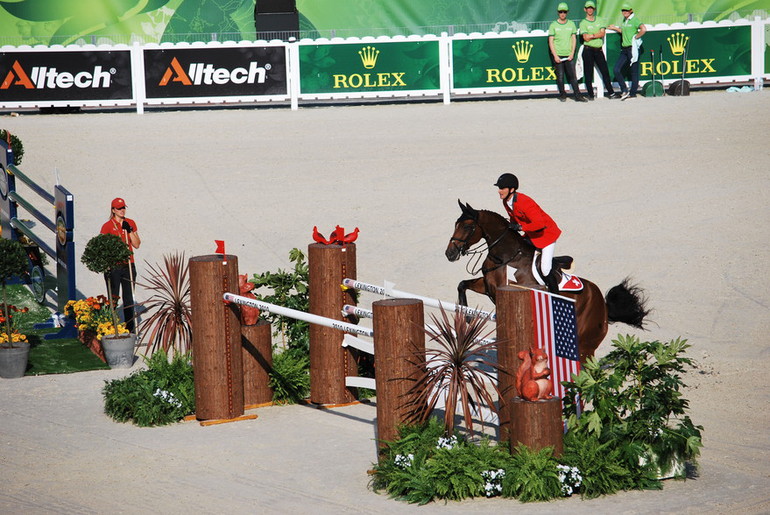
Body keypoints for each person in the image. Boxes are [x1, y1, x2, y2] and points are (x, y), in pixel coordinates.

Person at [494, 173, 562, 293]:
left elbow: (539, 224)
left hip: (546, 235)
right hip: (531, 235)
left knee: (545, 269)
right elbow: (514, 219)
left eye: (502, 188)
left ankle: (556, 296)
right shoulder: (506, 202)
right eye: (499, 188)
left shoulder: (524, 201)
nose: (499, 191)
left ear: (512, 189)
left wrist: (520, 227)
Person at [99, 197, 141, 333]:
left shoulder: (130, 223)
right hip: (114, 266)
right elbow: (102, 247)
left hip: (129, 265)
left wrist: (129, 231)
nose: (122, 210)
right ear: (113, 210)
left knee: (129, 298)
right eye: (119, 208)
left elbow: (137, 244)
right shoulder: (107, 226)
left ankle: (130, 329)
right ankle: (112, 327)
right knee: (113, 298)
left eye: (123, 208)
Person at [548, 2, 588, 102]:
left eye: (564, 12)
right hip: (558, 55)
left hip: (569, 55)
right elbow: (551, 41)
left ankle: (578, 95)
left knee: (573, 77)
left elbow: (574, 39)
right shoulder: (553, 25)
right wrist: (555, 55)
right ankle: (562, 95)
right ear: (558, 13)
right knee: (560, 77)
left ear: (567, 12)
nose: (562, 14)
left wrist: (572, 53)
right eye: (561, 12)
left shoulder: (571, 24)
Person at [608, 2, 646, 100]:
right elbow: (623, 31)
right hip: (624, 49)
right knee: (616, 69)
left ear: (631, 11)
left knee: (634, 72)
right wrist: (614, 28)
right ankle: (624, 90)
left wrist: (636, 37)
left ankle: (632, 93)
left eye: (626, 10)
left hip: (632, 49)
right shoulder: (625, 20)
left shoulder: (634, 20)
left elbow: (643, 29)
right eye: (623, 10)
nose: (624, 12)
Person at [579, 0, 616, 100]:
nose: (590, 10)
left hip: (598, 49)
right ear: (585, 9)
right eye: (588, 8)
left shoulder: (600, 20)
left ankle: (611, 93)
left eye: (591, 8)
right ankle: (590, 95)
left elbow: (602, 33)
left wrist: (592, 35)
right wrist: (596, 34)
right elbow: (585, 38)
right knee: (588, 73)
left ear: (594, 9)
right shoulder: (583, 23)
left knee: (605, 71)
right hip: (588, 50)